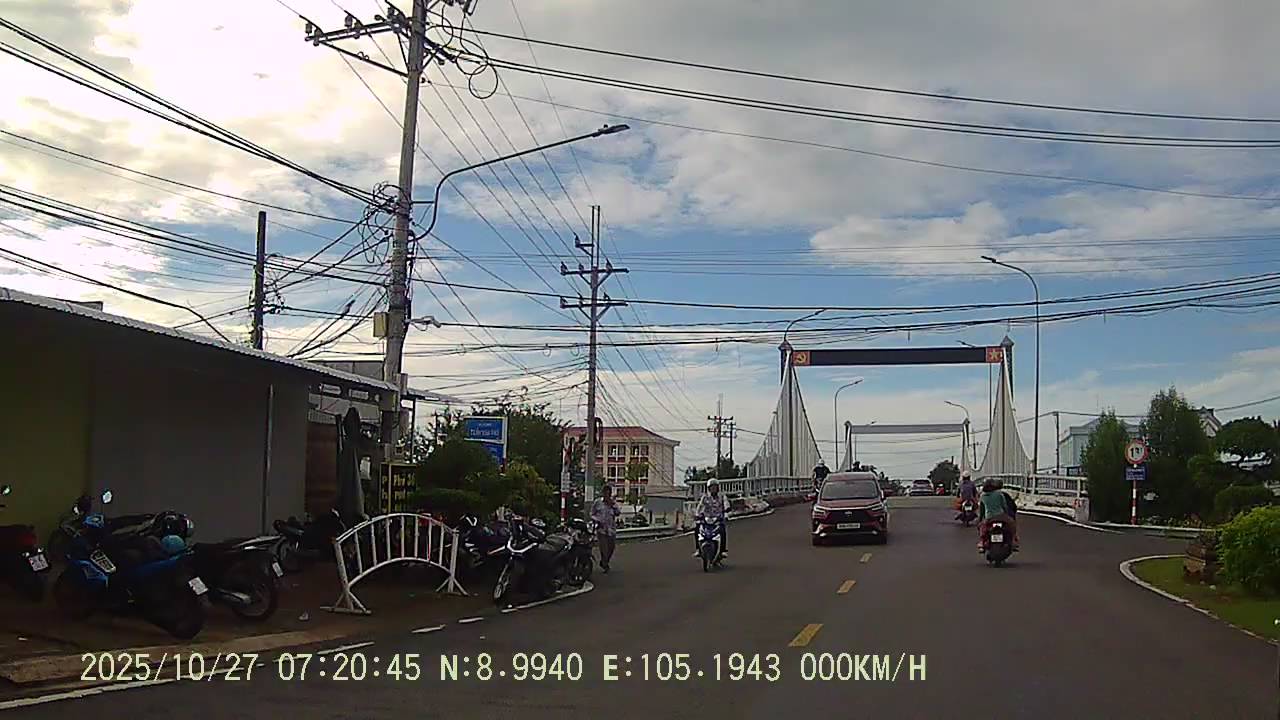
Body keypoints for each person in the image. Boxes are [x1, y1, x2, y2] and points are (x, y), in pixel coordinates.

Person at [977, 479, 1019, 551]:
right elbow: (1004, 506)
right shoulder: (999, 494)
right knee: (1012, 524)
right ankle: (1013, 541)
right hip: (1001, 516)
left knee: (982, 528)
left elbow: (982, 510)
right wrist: (1007, 514)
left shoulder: (983, 496)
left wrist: (980, 520)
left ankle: (982, 542)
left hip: (989, 517)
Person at [693, 478, 729, 558]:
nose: (713, 489)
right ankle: (698, 549)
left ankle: (722, 550)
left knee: (722, 530)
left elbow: (726, 504)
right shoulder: (705, 497)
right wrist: (697, 514)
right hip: (706, 518)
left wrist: (726, 513)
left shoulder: (722, 496)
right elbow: (700, 506)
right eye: (712, 487)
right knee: (697, 529)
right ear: (709, 488)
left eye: (715, 487)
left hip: (718, 518)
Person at [591, 485, 621, 573]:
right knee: (604, 549)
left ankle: (604, 562)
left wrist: (612, 505)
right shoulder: (598, 502)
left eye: (608, 493)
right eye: (605, 493)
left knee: (611, 548)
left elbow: (618, 513)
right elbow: (592, 514)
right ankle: (605, 564)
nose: (606, 495)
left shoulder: (613, 503)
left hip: (611, 529)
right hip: (601, 530)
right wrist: (597, 520)